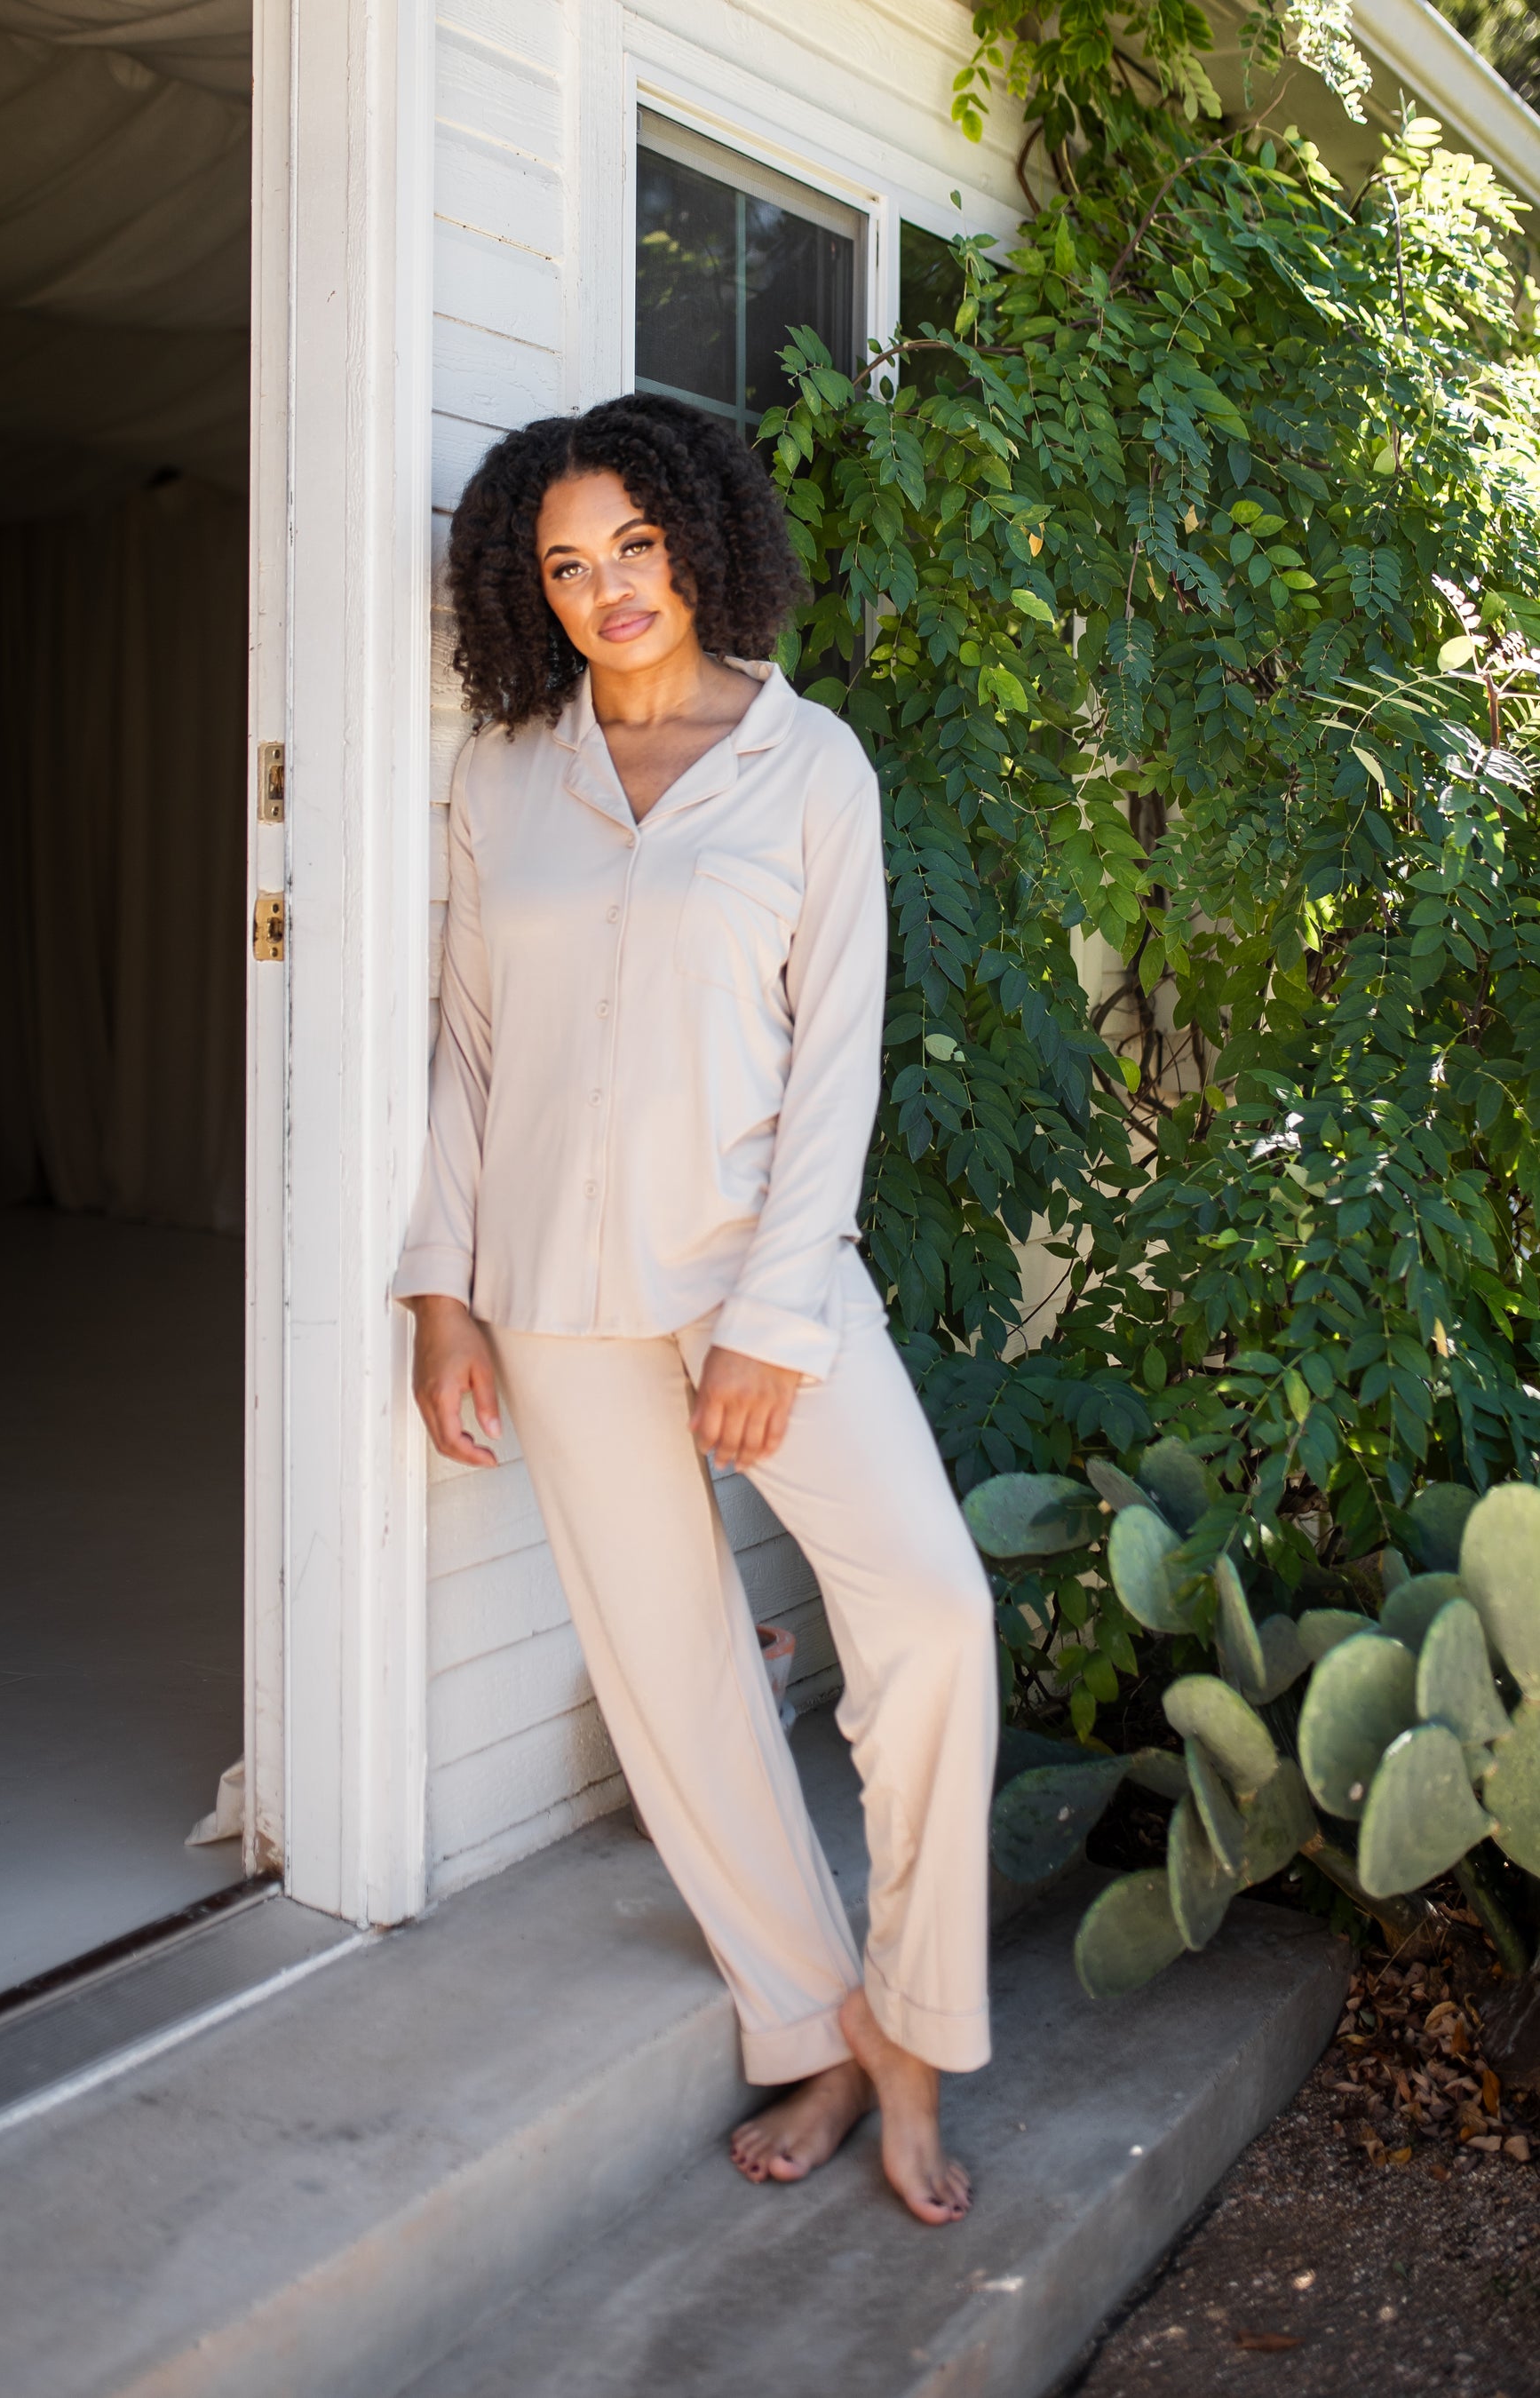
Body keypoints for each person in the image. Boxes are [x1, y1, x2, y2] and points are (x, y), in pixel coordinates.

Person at [395, 391, 996, 2227]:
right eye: (566, 567)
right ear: (531, 589)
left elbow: (838, 1069)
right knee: (676, 1679)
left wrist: (774, 1323)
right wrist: (440, 1288)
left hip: (764, 1281)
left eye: (633, 550)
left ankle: (914, 2024)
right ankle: (810, 2030)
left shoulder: (811, 771)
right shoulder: (507, 774)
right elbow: (472, 1048)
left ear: (698, 541)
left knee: (934, 1614)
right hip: (555, 1304)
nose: (606, 592)